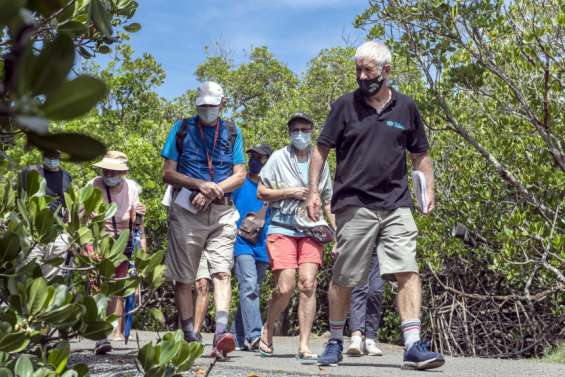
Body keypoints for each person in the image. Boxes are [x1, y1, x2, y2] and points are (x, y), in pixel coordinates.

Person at [308, 41, 445, 370]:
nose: (361, 76)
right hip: (354, 204)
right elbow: (320, 150)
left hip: (397, 203)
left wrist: (429, 190)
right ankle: (336, 341)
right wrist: (313, 190)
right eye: (358, 69)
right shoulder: (344, 106)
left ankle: (412, 345)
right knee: (345, 276)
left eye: (368, 70)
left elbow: (420, 155)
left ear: (386, 71)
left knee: (407, 269)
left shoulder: (406, 108)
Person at [161, 81, 246, 359]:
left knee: (222, 271)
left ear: (223, 104)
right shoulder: (182, 128)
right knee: (185, 277)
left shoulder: (232, 131)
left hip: (221, 210)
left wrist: (212, 191)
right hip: (186, 210)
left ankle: (221, 333)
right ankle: (190, 334)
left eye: (212, 106)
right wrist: (200, 184)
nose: (207, 111)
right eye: (203, 106)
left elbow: (240, 175)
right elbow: (169, 173)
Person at [257, 113, 335, 363]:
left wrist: (338, 232)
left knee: (308, 284)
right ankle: (268, 327)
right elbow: (261, 192)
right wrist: (290, 192)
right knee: (285, 286)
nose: (300, 134)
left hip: (311, 229)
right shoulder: (278, 158)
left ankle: (304, 343)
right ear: (289, 132)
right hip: (282, 227)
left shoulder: (319, 159)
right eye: (295, 130)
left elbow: (327, 200)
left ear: (312, 131)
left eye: (305, 129)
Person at [90, 151, 146, 354]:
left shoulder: (131, 187)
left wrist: (138, 215)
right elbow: (82, 215)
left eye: (113, 171)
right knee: (98, 286)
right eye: (106, 170)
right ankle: (99, 335)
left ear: (121, 172)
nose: (108, 173)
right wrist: (85, 246)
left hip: (124, 242)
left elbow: (137, 223)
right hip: (98, 239)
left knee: (116, 287)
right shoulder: (94, 184)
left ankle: (110, 333)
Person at [231, 143, 273, 351]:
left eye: (260, 157)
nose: (254, 160)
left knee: (253, 289)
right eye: (252, 156)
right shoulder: (239, 183)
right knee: (248, 286)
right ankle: (255, 335)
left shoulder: (273, 188)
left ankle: (237, 336)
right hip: (242, 242)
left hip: (264, 244)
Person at [21, 150, 73, 280]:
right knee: (29, 274)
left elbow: (67, 205)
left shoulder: (66, 176)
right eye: (49, 154)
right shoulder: (29, 172)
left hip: (57, 233)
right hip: (34, 232)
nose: (51, 158)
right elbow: (20, 198)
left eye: (55, 155)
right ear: (43, 154)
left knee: (54, 277)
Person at [346, 247, 385, 357]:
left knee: (376, 292)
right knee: (359, 288)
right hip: (359, 242)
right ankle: (356, 337)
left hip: (379, 246)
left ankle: (370, 340)